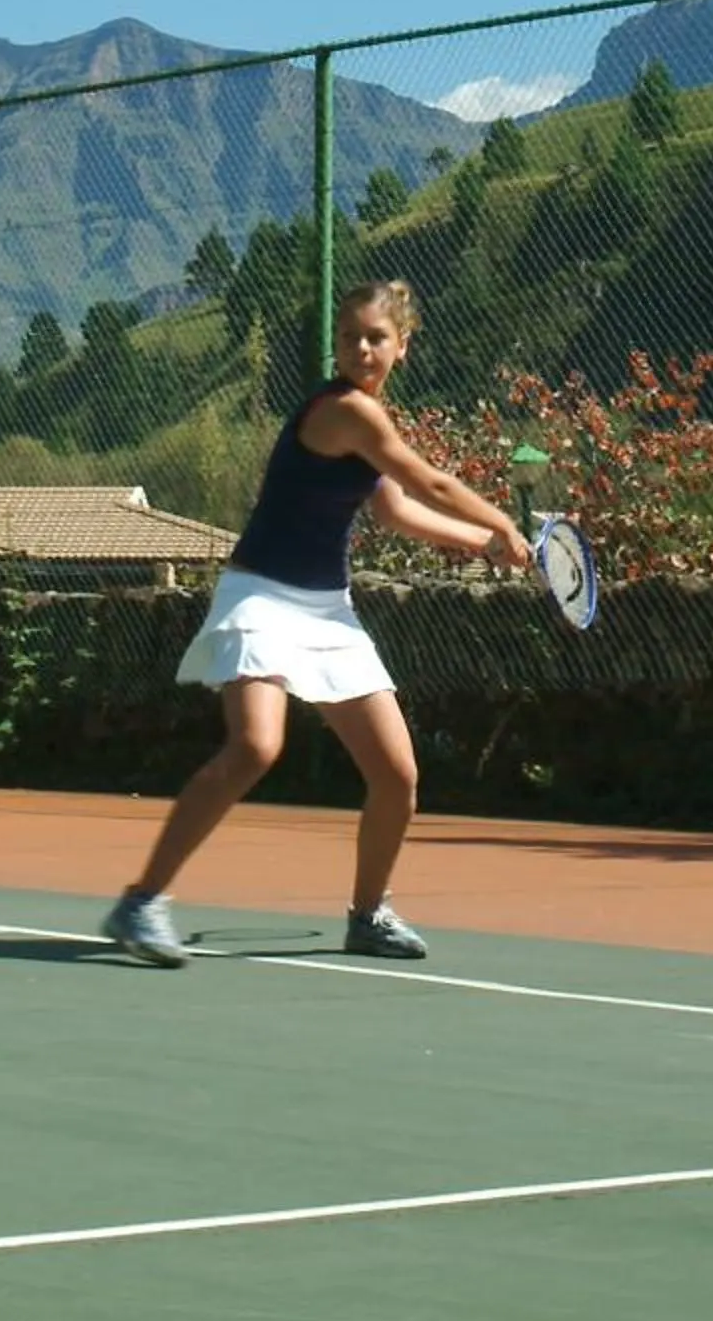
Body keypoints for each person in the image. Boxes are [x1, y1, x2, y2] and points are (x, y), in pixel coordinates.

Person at [102, 278, 529, 968]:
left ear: (403, 346)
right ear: (336, 344)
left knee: (396, 774)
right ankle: (142, 900)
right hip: (261, 597)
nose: (361, 348)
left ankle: (368, 914)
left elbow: (394, 511)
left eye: (376, 337)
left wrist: (484, 546)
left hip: (326, 609)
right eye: (349, 337)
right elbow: (434, 486)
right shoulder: (347, 412)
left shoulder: (371, 421)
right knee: (256, 747)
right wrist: (502, 522)